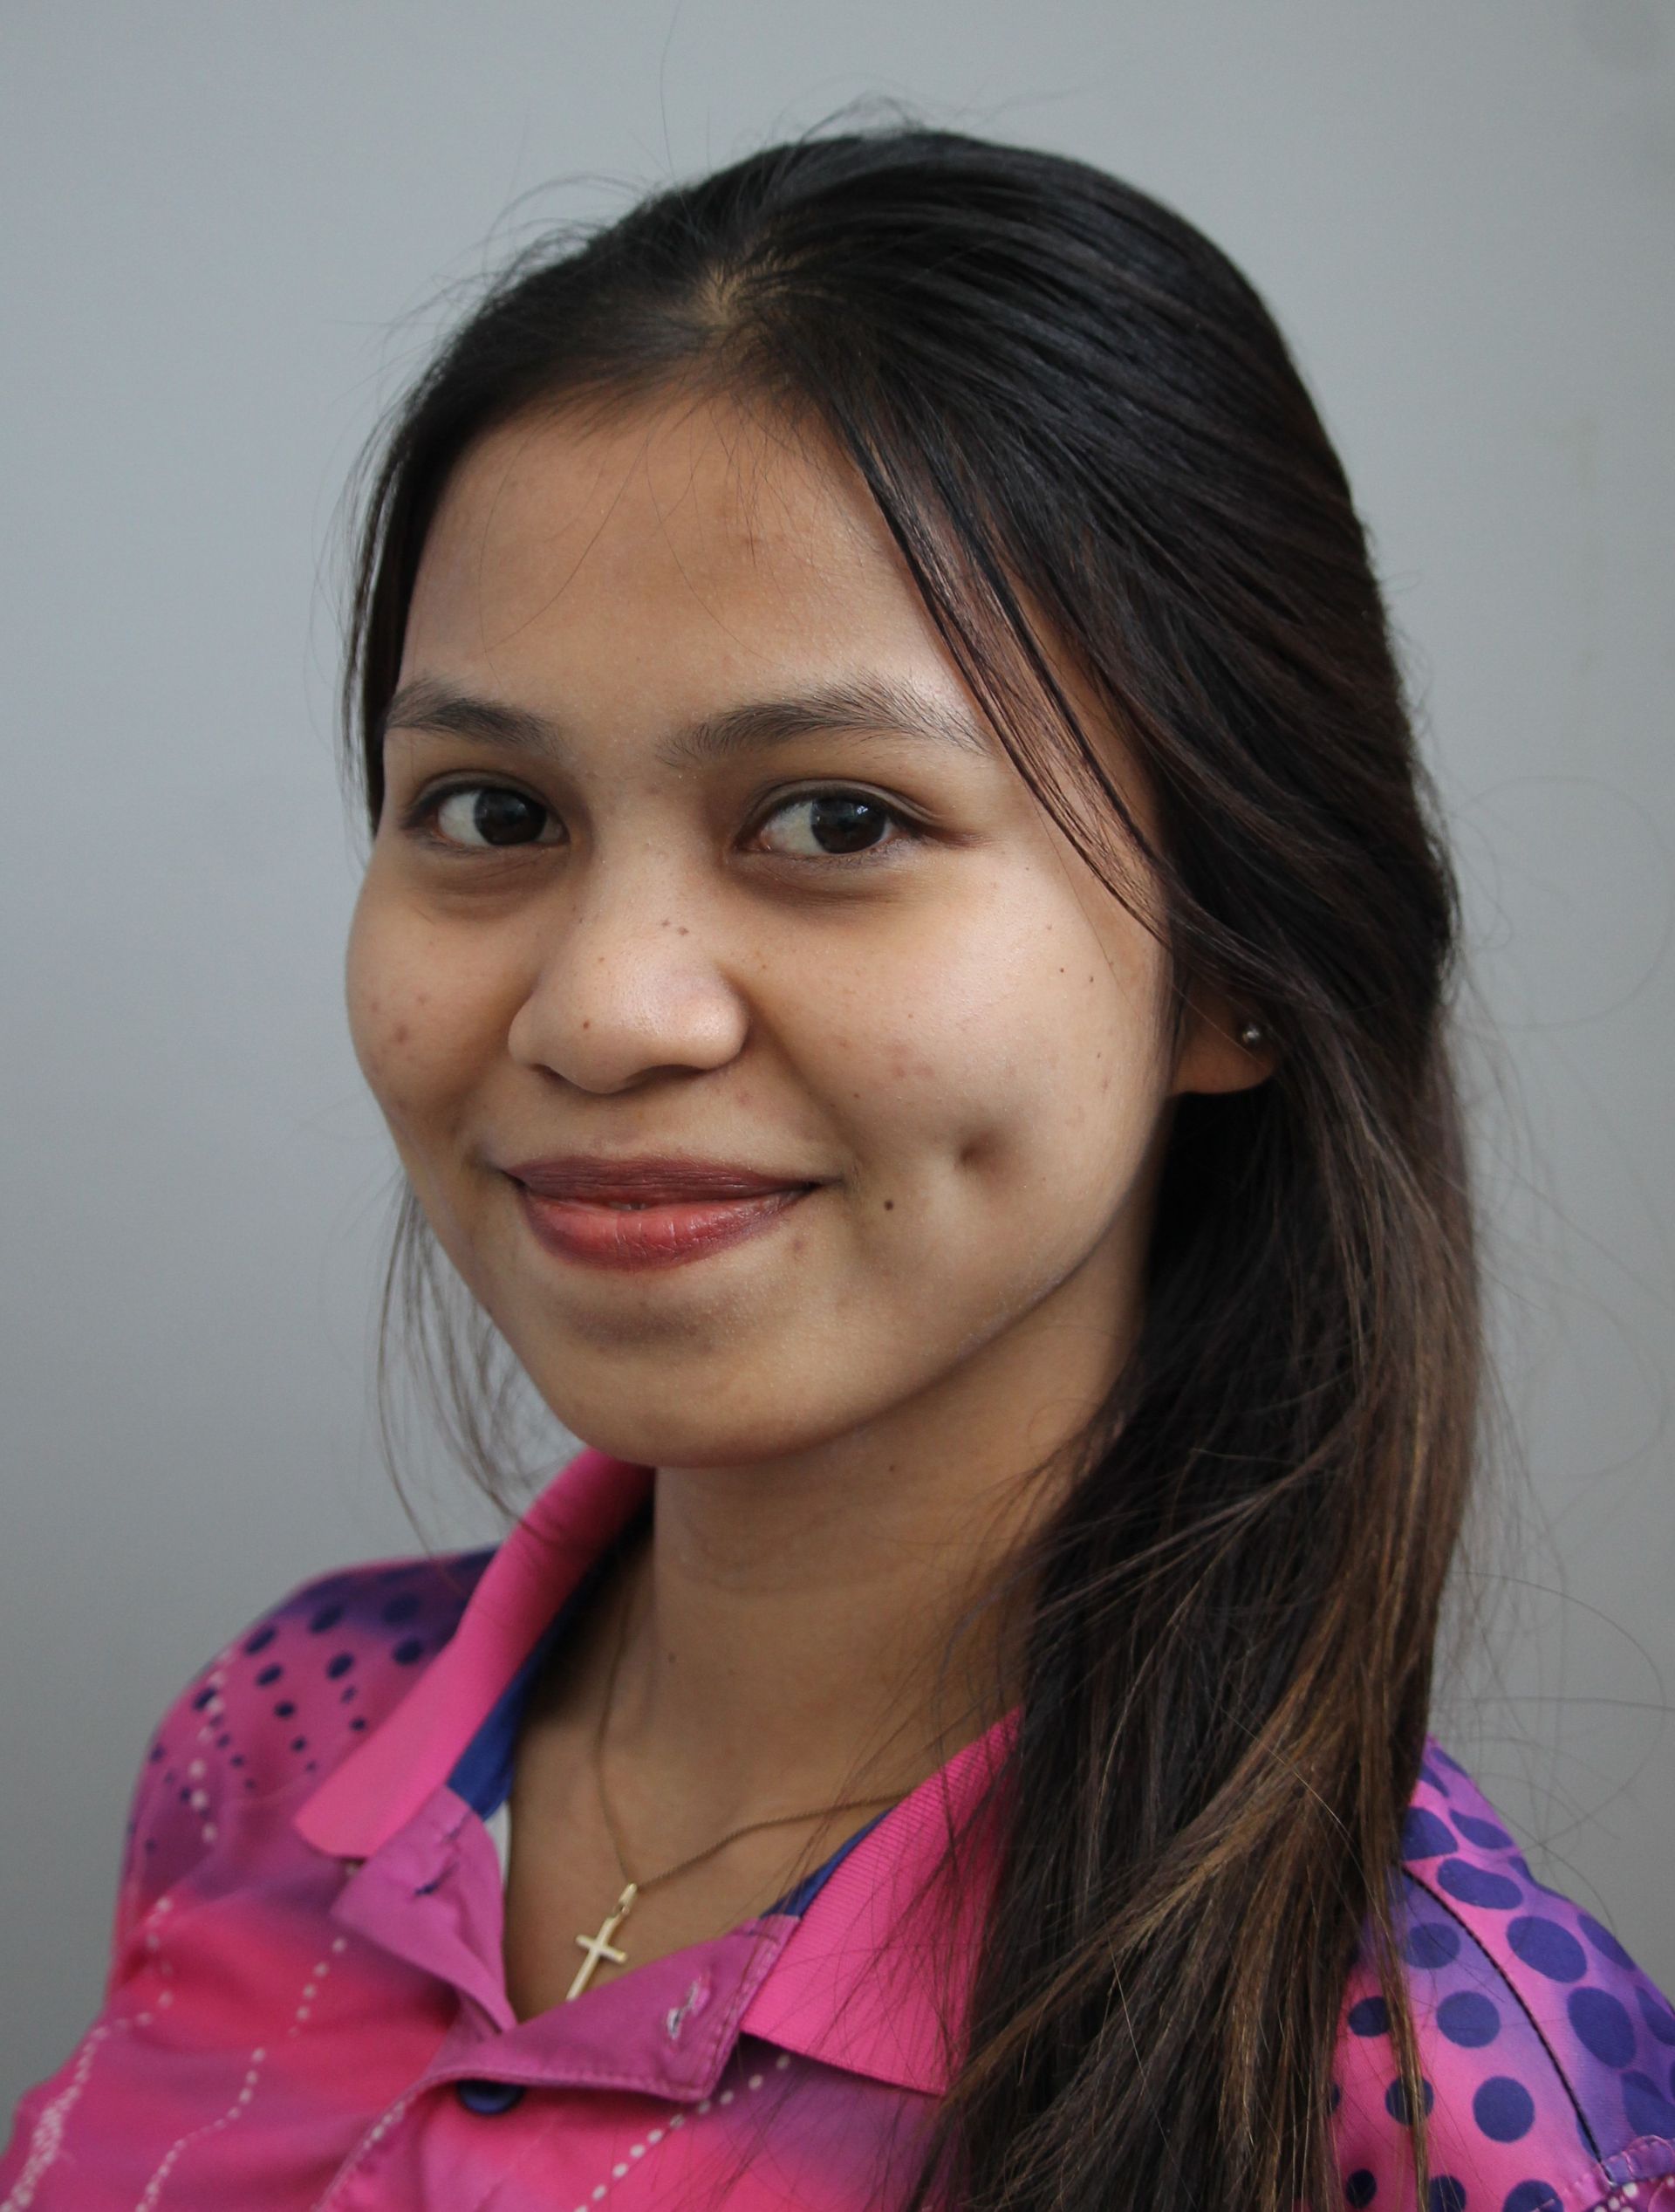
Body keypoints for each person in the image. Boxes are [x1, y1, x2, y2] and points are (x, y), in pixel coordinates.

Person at [3, 122, 1670, 2212]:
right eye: (494, 812)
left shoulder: (1434, 2085)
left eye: (837, 820)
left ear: (1238, 963)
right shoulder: (277, 1731)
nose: (604, 1010)